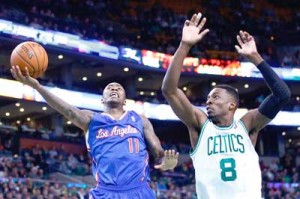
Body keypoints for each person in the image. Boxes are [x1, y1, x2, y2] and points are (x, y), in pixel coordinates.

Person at [161, 12, 291, 199]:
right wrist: (184, 45)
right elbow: (169, 90)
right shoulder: (199, 124)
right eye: (208, 98)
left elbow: (282, 95)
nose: (208, 101)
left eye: (215, 97)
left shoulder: (247, 124)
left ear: (232, 105)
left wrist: (255, 58)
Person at [10, 67, 179, 199]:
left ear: (125, 100)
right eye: (109, 88)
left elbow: (158, 153)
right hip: (105, 193)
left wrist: (166, 164)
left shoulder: (140, 120)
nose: (114, 88)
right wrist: (38, 87)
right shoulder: (92, 119)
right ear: (102, 99)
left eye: (118, 88)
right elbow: (68, 111)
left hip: (139, 191)